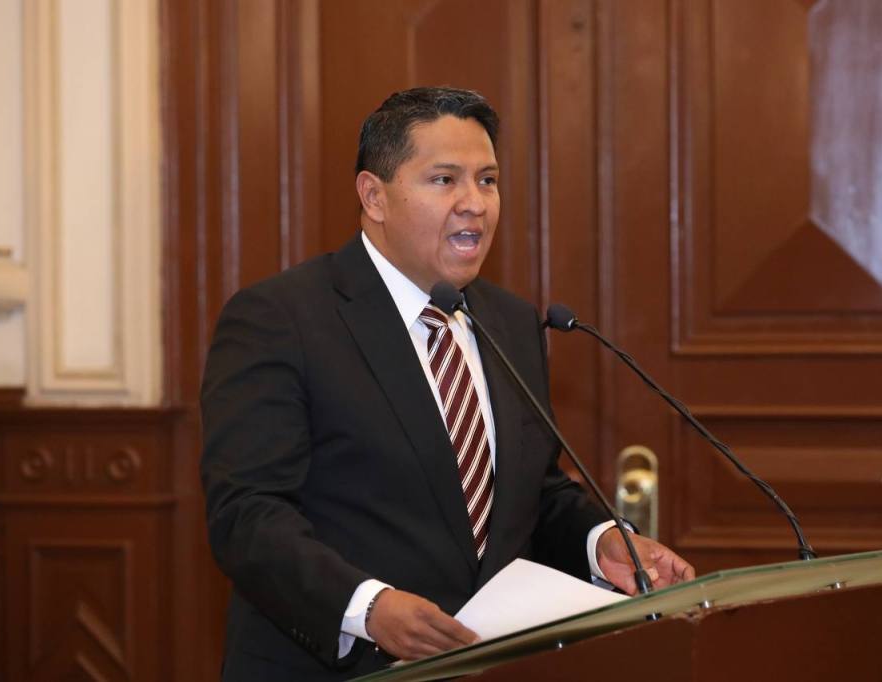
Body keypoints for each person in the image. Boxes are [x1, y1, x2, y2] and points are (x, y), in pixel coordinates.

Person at [200, 86, 694, 681]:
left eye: (487, 180)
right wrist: (368, 608)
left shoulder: (511, 322)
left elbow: (532, 494)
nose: (474, 204)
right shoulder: (282, 318)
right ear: (374, 196)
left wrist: (601, 540)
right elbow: (248, 513)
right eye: (444, 180)